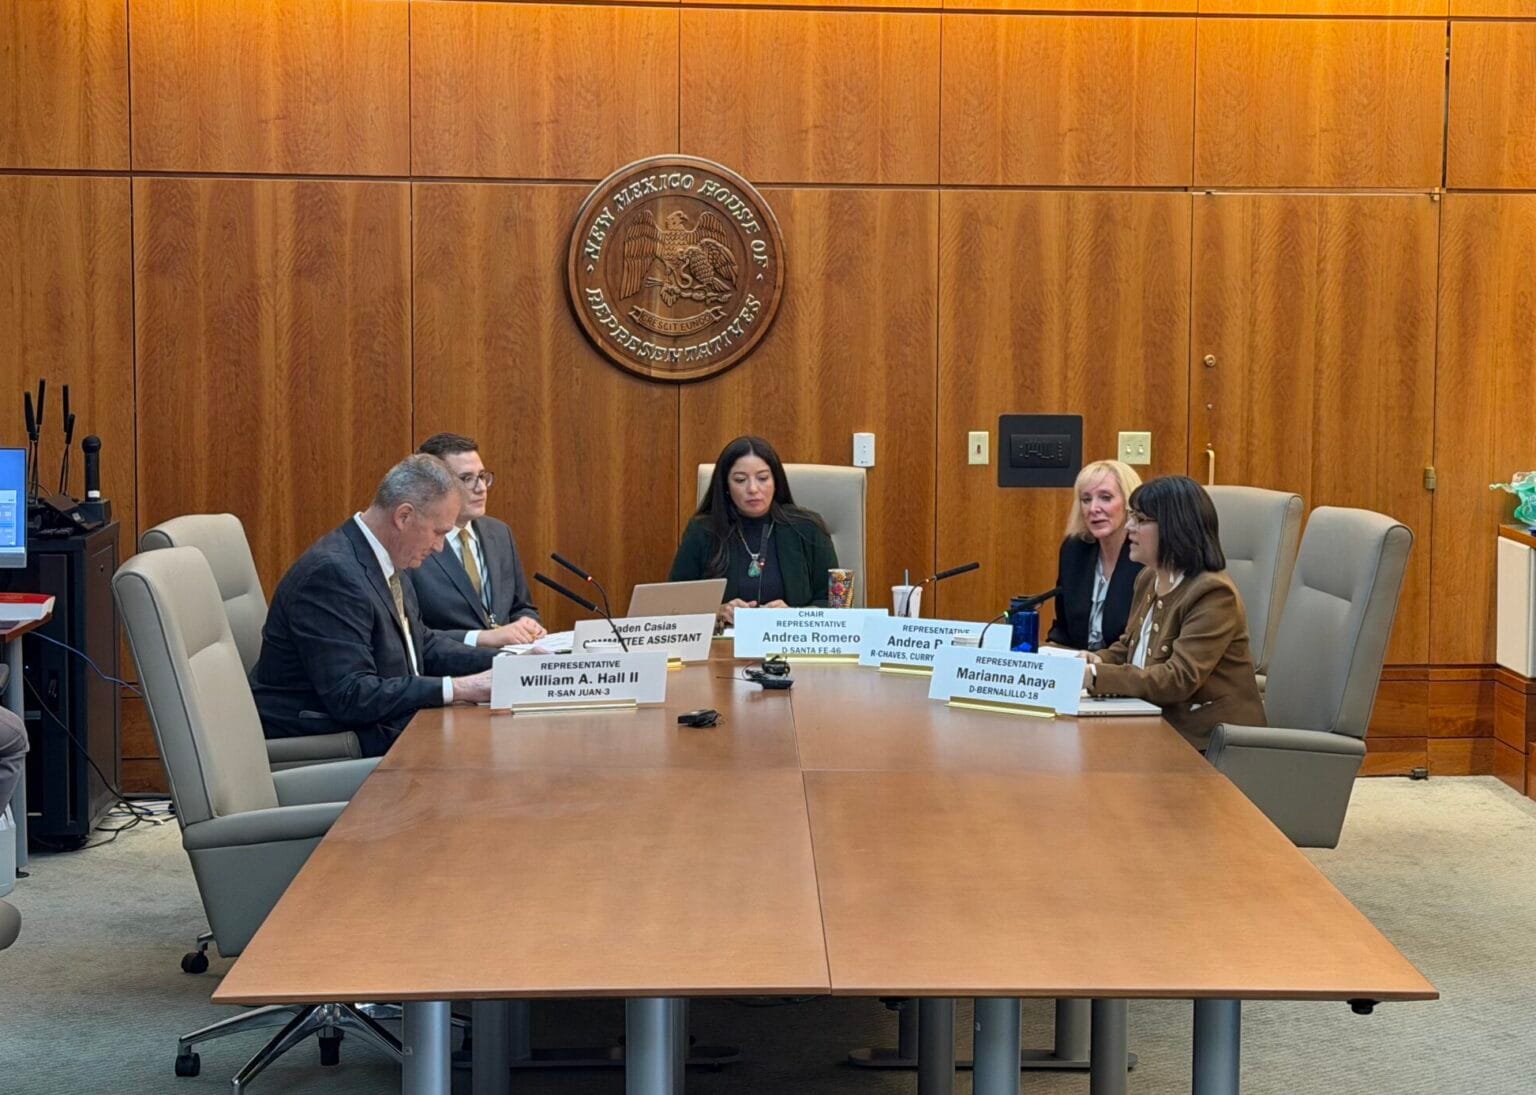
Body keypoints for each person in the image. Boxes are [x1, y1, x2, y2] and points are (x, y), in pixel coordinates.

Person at [250, 454, 498, 757]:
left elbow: (423, 646)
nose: (439, 547)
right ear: (404, 517)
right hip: (335, 740)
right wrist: (457, 689)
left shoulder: (386, 558)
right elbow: (352, 695)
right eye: (438, 532)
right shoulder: (332, 575)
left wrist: (507, 663)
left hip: (387, 724)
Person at [1082, 475, 1266, 751]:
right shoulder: (1148, 578)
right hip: (1155, 723)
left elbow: (1177, 679)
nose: (1129, 526)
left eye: (1140, 520)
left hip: (1211, 744)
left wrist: (1097, 676)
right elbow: (1129, 648)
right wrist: (1096, 658)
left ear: (1173, 527)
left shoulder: (1212, 593)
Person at [669, 436, 839, 628]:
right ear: (725, 486)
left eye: (763, 478)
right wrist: (718, 611)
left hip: (792, 648)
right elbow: (675, 605)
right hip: (725, 649)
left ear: (776, 481)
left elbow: (835, 604)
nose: (753, 488)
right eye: (740, 480)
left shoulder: (808, 528)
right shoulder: (703, 531)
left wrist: (796, 616)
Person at [412, 433, 545, 648]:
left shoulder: (500, 533)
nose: (481, 488)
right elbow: (412, 634)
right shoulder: (413, 543)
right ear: (432, 485)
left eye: (482, 476)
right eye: (466, 479)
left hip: (508, 665)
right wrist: (481, 638)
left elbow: (522, 606)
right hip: (450, 673)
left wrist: (527, 623)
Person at [1048, 459, 1143, 651]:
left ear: (1129, 503)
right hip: (1079, 669)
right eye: (1086, 499)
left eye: (1106, 498)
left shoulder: (1145, 554)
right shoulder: (1075, 550)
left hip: (1125, 672)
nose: (1093, 509)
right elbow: (1063, 630)